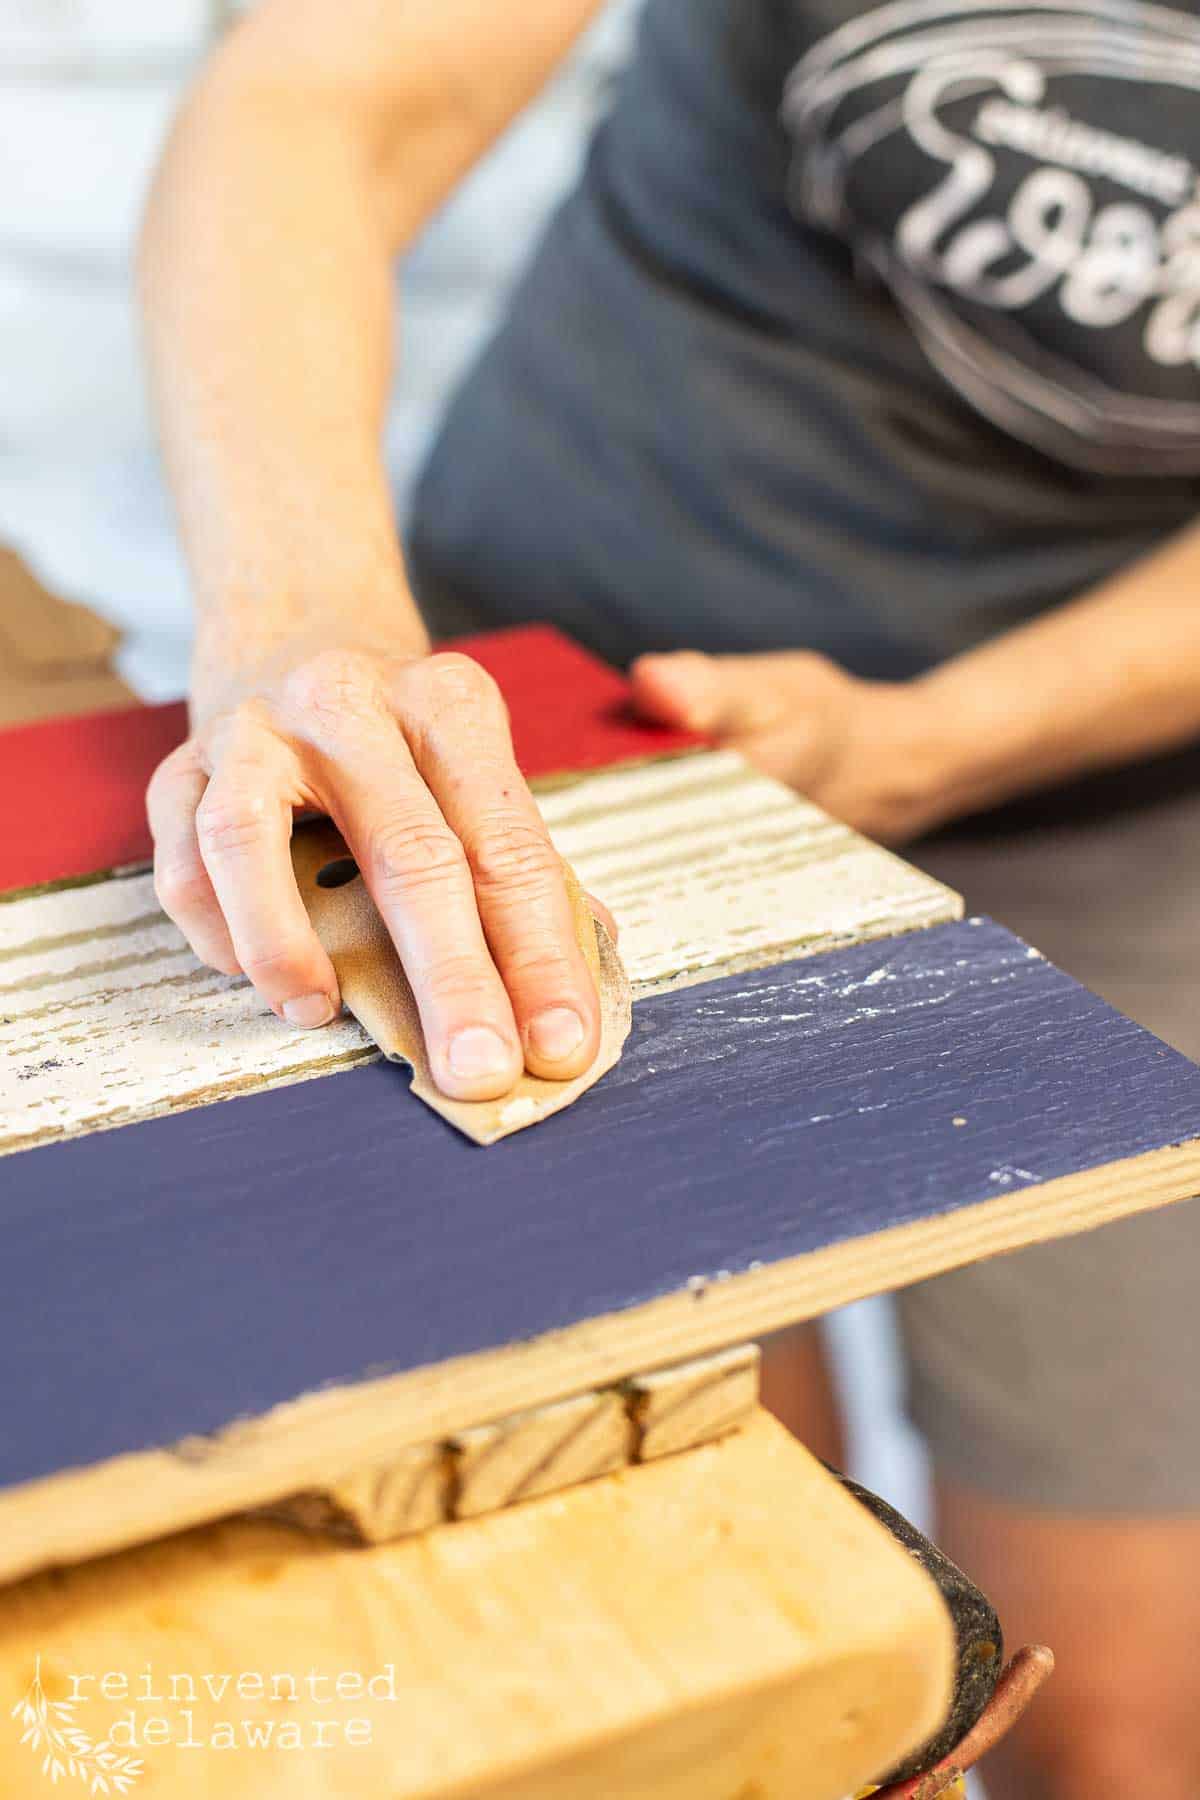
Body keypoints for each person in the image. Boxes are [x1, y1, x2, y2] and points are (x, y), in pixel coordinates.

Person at [138, 2, 1200, 1792]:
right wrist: (299, 620)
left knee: (1109, 1704)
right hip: (555, 728)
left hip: (1104, 806)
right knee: (731, 1620)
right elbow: (328, 89)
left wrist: (938, 741)